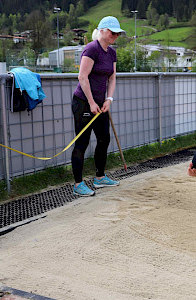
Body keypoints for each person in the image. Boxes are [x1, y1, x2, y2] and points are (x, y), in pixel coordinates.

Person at [71, 16, 125, 196]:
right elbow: (82, 77)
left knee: (104, 138)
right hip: (83, 103)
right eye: (112, 32)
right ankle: (78, 184)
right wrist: (91, 103)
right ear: (102, 30)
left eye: (117, 33)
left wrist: (109, 99)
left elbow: (112, 77)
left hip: (101, 104)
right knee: (82, 142)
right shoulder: (91, 49)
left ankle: (100, 177)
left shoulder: (111, 53)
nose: (115, 35)